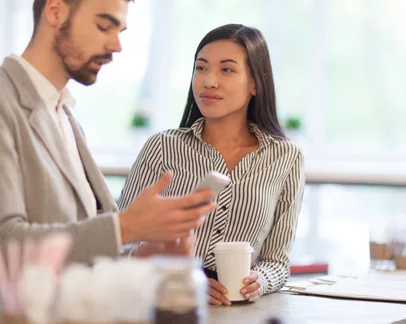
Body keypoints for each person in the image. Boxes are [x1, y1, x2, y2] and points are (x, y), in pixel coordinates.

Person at [0, 0, 215, 300]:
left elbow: (79, 248)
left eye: (120, 30)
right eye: (104, 26)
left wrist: (148, 254)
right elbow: (3, 248)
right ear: (55, 11)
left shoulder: (66, 117)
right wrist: (125, 226)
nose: (116, 45)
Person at [118, 24, 305, 305]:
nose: (209, 82)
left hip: (241, 314)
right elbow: (119, 245)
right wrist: (183, 278)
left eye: (226, 70)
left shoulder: (287, 157)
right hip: (167, 308)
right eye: (201, 68)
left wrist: (260, 281)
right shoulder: (161, 147)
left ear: (255, 83)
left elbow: (277, 262)